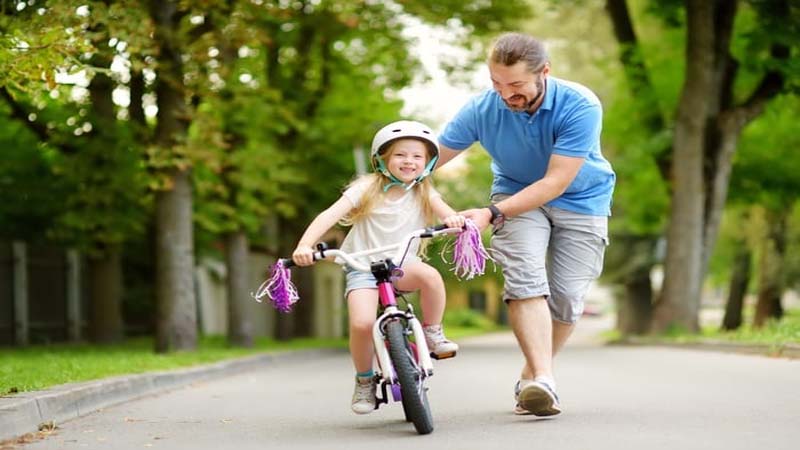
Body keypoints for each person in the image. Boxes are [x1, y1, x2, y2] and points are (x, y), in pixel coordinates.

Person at [436, 32, 615, 417]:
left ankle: (532, 375)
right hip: (515, 198)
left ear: (544, 72)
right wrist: (384, 174)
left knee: (567, 297)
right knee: (525, 281)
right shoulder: (483, 108)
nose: (505, 94)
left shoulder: (580, 104)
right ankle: (545, 381)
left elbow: (555, 182)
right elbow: (428, 159)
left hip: (583, 200)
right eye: (496, 83)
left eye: (516, 84)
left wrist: (489, 214)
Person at [291, 120, 465, 415]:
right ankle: (365, 379)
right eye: (400, 155)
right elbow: (329, 215)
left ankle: (433, 331)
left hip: (402, 265)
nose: (409, 161)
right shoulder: (367, 187)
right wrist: (305, 245)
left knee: (431, 277)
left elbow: (445, 211)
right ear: (382, 159)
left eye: (417, 156)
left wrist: (454, 220)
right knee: (361, 324)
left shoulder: (423, 189)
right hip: (362, 266)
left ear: (428, 162)